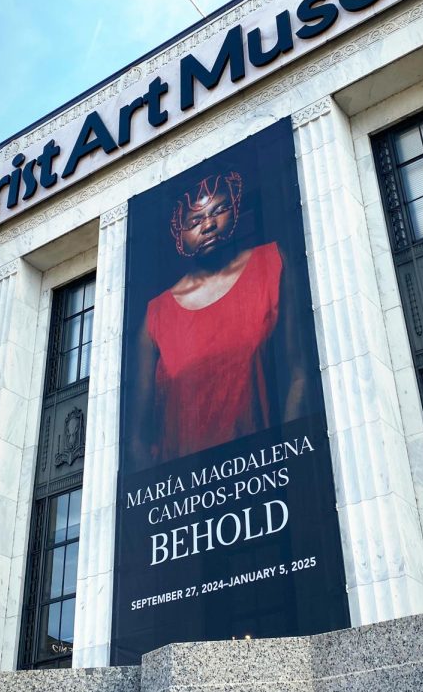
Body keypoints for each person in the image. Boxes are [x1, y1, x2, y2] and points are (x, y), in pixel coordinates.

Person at [128, 166, 312, 469]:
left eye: (219, 209)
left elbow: (299, 374)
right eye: (195, 220)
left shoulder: (271, 264)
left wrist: (287, 462)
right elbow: (137, 437)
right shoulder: (157, 316)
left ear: (236, 206)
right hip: (183, 494)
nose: (209, 225)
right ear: (178, 232)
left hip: (261, 476)